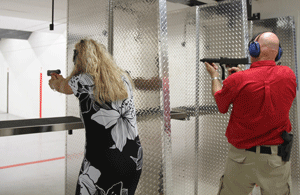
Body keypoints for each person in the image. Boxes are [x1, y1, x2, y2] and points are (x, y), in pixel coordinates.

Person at [205, 32, 296, 195]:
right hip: (275, 159)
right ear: (278, 52)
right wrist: (242, 76)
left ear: (254, 49)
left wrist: (215, 76)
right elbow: (263, 83)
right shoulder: (289, 75)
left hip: (241, 158)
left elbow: (221, 104)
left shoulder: (238, 80)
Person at [48, 39, 143, 195]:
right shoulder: (123, 78)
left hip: (103, 159)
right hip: (133, 157)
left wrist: (54, 82)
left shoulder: (81, 80)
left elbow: (60, 86)